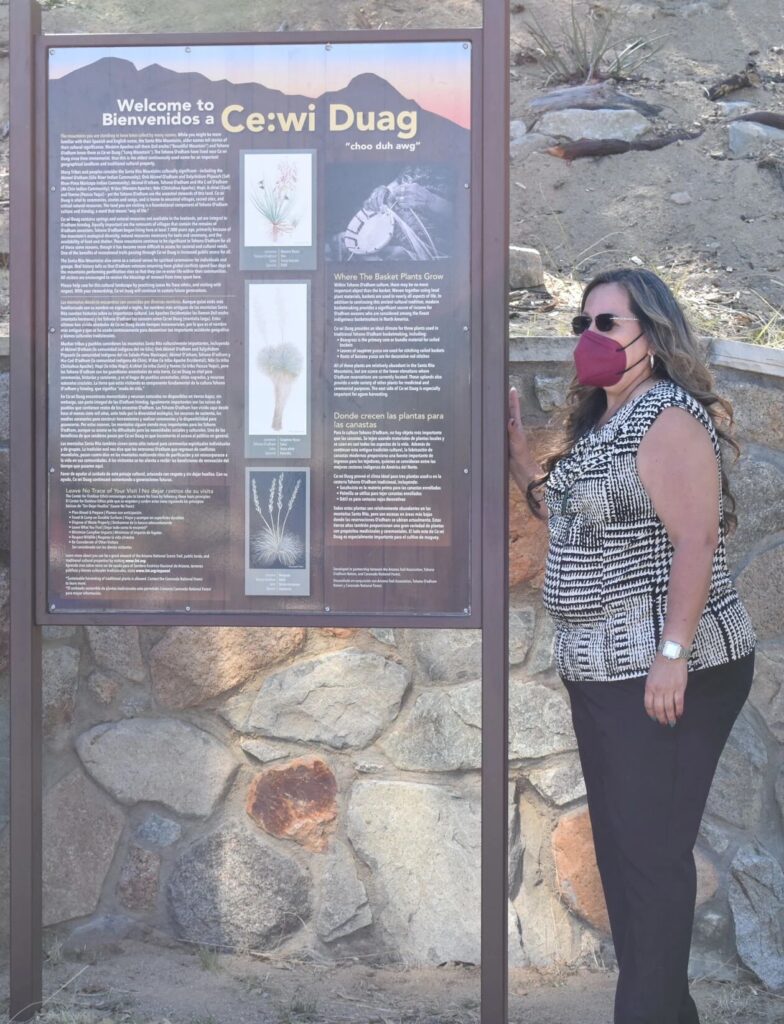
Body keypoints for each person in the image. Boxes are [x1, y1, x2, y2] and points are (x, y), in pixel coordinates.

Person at [507, 267, 756, 1024]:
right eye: (582, 324)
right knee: (625, 856)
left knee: (648, 858)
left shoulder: (668, 417)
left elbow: (697, 540)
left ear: (653, 332)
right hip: (601, 669)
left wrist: (671, 657)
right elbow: (583, 515)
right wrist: (523, 464)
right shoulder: (606, 418)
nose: (590, 337)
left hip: (668, 671)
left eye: (607, 323)